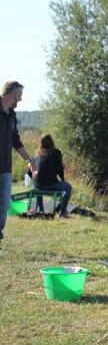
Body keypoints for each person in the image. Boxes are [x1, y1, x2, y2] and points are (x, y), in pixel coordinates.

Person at [0, 81, 35, 250]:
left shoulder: (11, 114)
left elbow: (16, 141)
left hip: (5, 169)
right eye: (19, 95)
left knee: (4, 204)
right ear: (11, 93)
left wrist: (30, 160)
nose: (20, 99)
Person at [31, 134, 73, 216]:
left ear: (41, 143)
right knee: (67, 187)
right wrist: (63, 180)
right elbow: (59, 170)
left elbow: (30, 172)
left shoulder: (35, 155)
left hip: (36, 185)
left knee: (38, 185)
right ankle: (63, 212)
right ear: (51, 142)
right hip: (49, 185)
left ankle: (41, 210)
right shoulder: (56, 152)